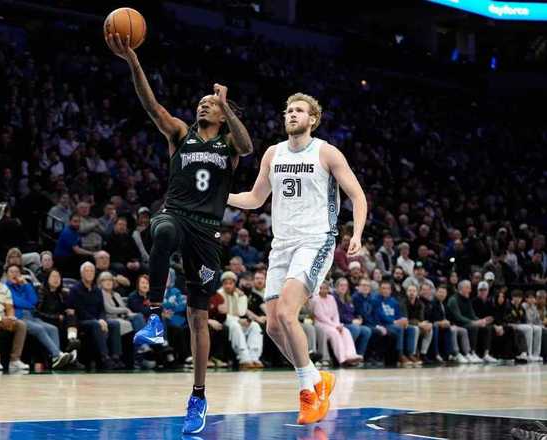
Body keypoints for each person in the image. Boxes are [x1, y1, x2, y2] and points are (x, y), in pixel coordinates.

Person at [107, 31, 253, 435]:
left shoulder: (229, 144)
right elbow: (150, 104)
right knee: (164, 230)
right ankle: (153, 315)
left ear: (222, 114)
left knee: (198, 318)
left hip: (207, 233)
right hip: (176, 214)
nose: (203, 105)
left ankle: (198, 396)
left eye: (211, 103)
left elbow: (247, 145)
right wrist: (133, 61)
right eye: (201, 102)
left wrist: (226, 103)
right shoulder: (178, 134)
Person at [228, 93, 366, 424]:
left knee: (287, 313)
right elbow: (255, 198)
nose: (291, 114)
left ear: (312, 119)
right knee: (274, 326)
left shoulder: (326, 152)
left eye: (299, 111)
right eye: (288, 110)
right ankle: (318, 377)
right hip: (282, 245)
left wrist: (357, 234)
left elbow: (358, 196)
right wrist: (220, 197)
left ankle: (308, 392)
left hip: (315, 241)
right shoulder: (273, 153)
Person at [5, 264, 73, 369]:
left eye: (17, 272)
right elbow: (16, 302)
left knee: (53, 329)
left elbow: (34, 300)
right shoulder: (5, 287)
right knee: (39, 329)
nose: (15, 274)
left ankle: (55, 360)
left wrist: (26, 284)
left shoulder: (25, 285)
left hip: (31, 316)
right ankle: (57, 354)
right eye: (12, 272)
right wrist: (29, 304)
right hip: (19, 316)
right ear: (7, 275)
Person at [67, 262, 120, 370]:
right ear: (82, 273)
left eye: (92, 271)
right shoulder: (75, 289)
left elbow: (102, 309)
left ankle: (116, 357)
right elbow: (79, 310)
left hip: (96, 320)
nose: (90, 273)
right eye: (87, 271)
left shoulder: (97, 290)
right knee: (96, 324)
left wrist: (102, 319)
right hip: (81, 321)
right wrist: (97, 320)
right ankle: (104, 357)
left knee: (115, 324)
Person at [310, 280, 362, 366]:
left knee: (346, 331)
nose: (323, 290)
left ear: (328, 289)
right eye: (321, 288)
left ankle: (351, 355)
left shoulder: (331, 298)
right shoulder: (315, 299)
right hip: (321, 324)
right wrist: (335, 326)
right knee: (335, 333)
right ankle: (342, 359)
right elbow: (321, 316)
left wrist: (338, 325)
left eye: (326, 288)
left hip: (334, 324)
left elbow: (335, 314)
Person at [447, 280, 497, 364]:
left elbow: (472, 315)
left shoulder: (467, 299)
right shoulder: (453, 299)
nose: (470, 290)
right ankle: (472, 352)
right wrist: (473, 322)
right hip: (456, 324)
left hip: (466, 323)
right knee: (474, 327)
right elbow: (458, 317)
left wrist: (481, 321)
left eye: (470, 288)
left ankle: (486, 354)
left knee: (486, 328)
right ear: (461, 288)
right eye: (468, 288)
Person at [375, 280, 419, 366]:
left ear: (390, 290)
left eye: (388, 289)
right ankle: (400, 354)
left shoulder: (393, 301)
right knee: (399, 328)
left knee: (411, 329)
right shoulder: (376, 300)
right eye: (383, 288)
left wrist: (403, 320)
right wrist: (395, 321)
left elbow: (398, 315)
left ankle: (409, 354)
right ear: (379, 290)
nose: (385, 290)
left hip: (394, 323)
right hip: (383, 324)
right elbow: (380, 315)